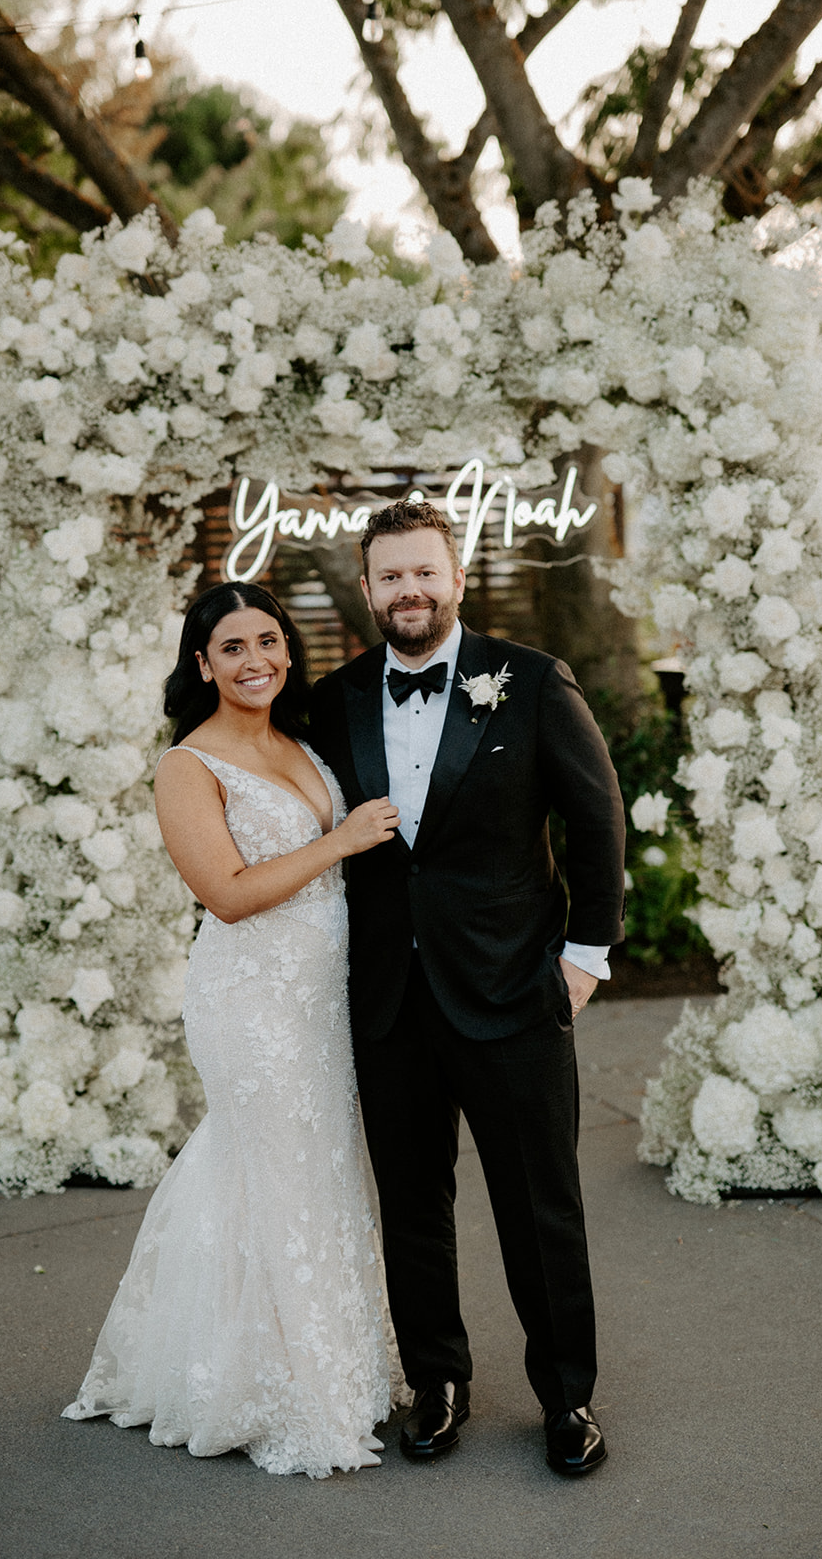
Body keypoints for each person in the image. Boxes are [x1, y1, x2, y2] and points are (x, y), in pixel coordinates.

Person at [307, 499, 626, 1476]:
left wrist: (583, 959)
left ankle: (565, 1396)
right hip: (390, 1002)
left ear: (455, 576)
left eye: (423, 572)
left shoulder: (529, 682)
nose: (408, 590)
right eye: (389, 576)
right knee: (409, 1203)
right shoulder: (336, 696)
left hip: (512, 994)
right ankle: (436, 1381)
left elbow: (595, 818)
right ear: (366, 590)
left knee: (540, 1205)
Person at [63, 581, 404, 1478]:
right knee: (271, 1166)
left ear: (287, 649)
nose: (256, 660)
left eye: (269, 641)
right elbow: (226, 893)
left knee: (320, 1164)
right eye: (232, 648)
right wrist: (341, 840)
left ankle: (326, 1366)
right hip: (249, 999)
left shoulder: (299, 740)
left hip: (321, 993)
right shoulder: (189, 764)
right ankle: (268, 1389)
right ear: (202, 665)